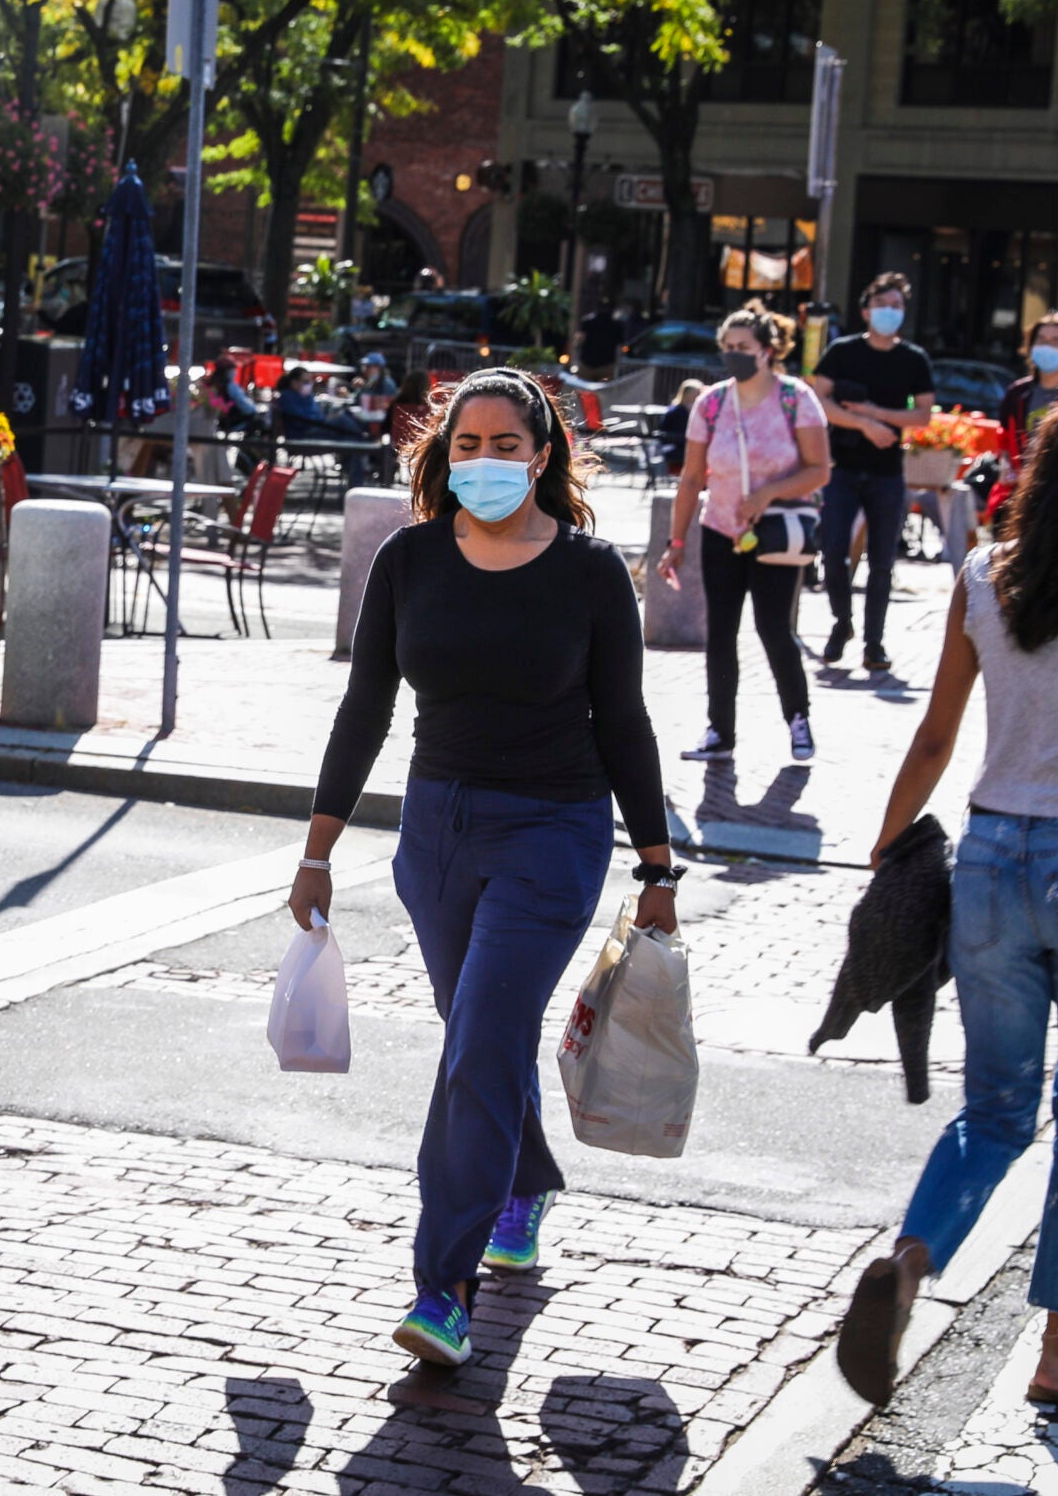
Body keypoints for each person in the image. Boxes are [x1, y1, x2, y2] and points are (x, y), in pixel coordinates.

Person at [298, 370, 678, 1369]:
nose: (483, 462)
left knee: (478, 1044)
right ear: (442, 452)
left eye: (505, 444)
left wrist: (656, 862)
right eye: (464, 444)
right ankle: (527, 1175)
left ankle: (444, 1284)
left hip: (552, 832)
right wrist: (318, 845)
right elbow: (364, 708)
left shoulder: (591, 572)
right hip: (436, 833)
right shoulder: (409, 558)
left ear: (543, 454)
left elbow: (624, 721)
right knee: (480, 1034)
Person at [836, 378, 1058, 1411]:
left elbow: (936, 737)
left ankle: (909, 1262)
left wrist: (885, 845)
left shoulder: (979, 580)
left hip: (991, 860)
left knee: (994, 1108)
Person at [658, 302, 830, 764]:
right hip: (721, 530)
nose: (734, 354)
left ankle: (798, 719)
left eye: (744, 347)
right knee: (721, 633)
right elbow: (692, 478)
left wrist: (769, 493)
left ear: (768, 350)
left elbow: (819, 470)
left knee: (774, 627)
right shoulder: (711, 404)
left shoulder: (796, 399)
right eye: (727, 347)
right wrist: (676, 542)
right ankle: (720, 731)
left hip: (775, 532)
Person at [811, 272, 934, 669]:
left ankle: (874, 643)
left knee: (882, 561)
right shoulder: (843, 351)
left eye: (897, 306)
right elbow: (819, 400)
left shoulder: (913, 359)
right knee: (832, 550)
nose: (889, 312)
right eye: (882, 305)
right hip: (842, 468)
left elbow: (923, 415)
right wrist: (862, 424)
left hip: (887, 473)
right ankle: (841, 622)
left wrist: (878, 415)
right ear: (866, 311)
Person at [993, 311, 1058, 524]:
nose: (1047, 346)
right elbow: (1004, 439)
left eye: (1056, 341)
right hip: (1018, 496)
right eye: (1041, 340)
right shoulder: (1017, 393)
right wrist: (1006, 465)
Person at [656, 379, 708, 479]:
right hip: (673, 449)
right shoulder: (678, 411)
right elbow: (681, 433)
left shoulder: (683, 409)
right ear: (688, 394)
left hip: (677, 446)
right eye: (697, 393)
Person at [388, 369, 437, 449]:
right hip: (421, 449)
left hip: (396, 447)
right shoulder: (430, 408)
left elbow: (385, 428)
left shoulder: (396, 404)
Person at [576, 300, 625, 378]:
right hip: (606, 364)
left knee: (583, 388)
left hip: (588, 362)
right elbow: (620, 344)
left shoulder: (588, 321)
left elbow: (580, 340)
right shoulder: (617, 325)